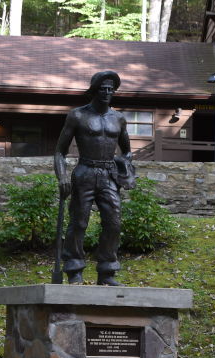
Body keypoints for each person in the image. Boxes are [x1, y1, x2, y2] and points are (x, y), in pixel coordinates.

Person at [54, 70, 135, 286]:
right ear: (94, 90)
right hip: (85, 172)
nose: (107, 92)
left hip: (109, 175)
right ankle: (74, 270)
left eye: (111, 89)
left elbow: (127, 151)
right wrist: (62, 177)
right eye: (103, 88)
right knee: (79, 223)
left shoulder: (119, 119)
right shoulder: (78, 115)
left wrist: (123, 166)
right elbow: (59, 152)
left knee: (113, 224)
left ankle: (107, 272)